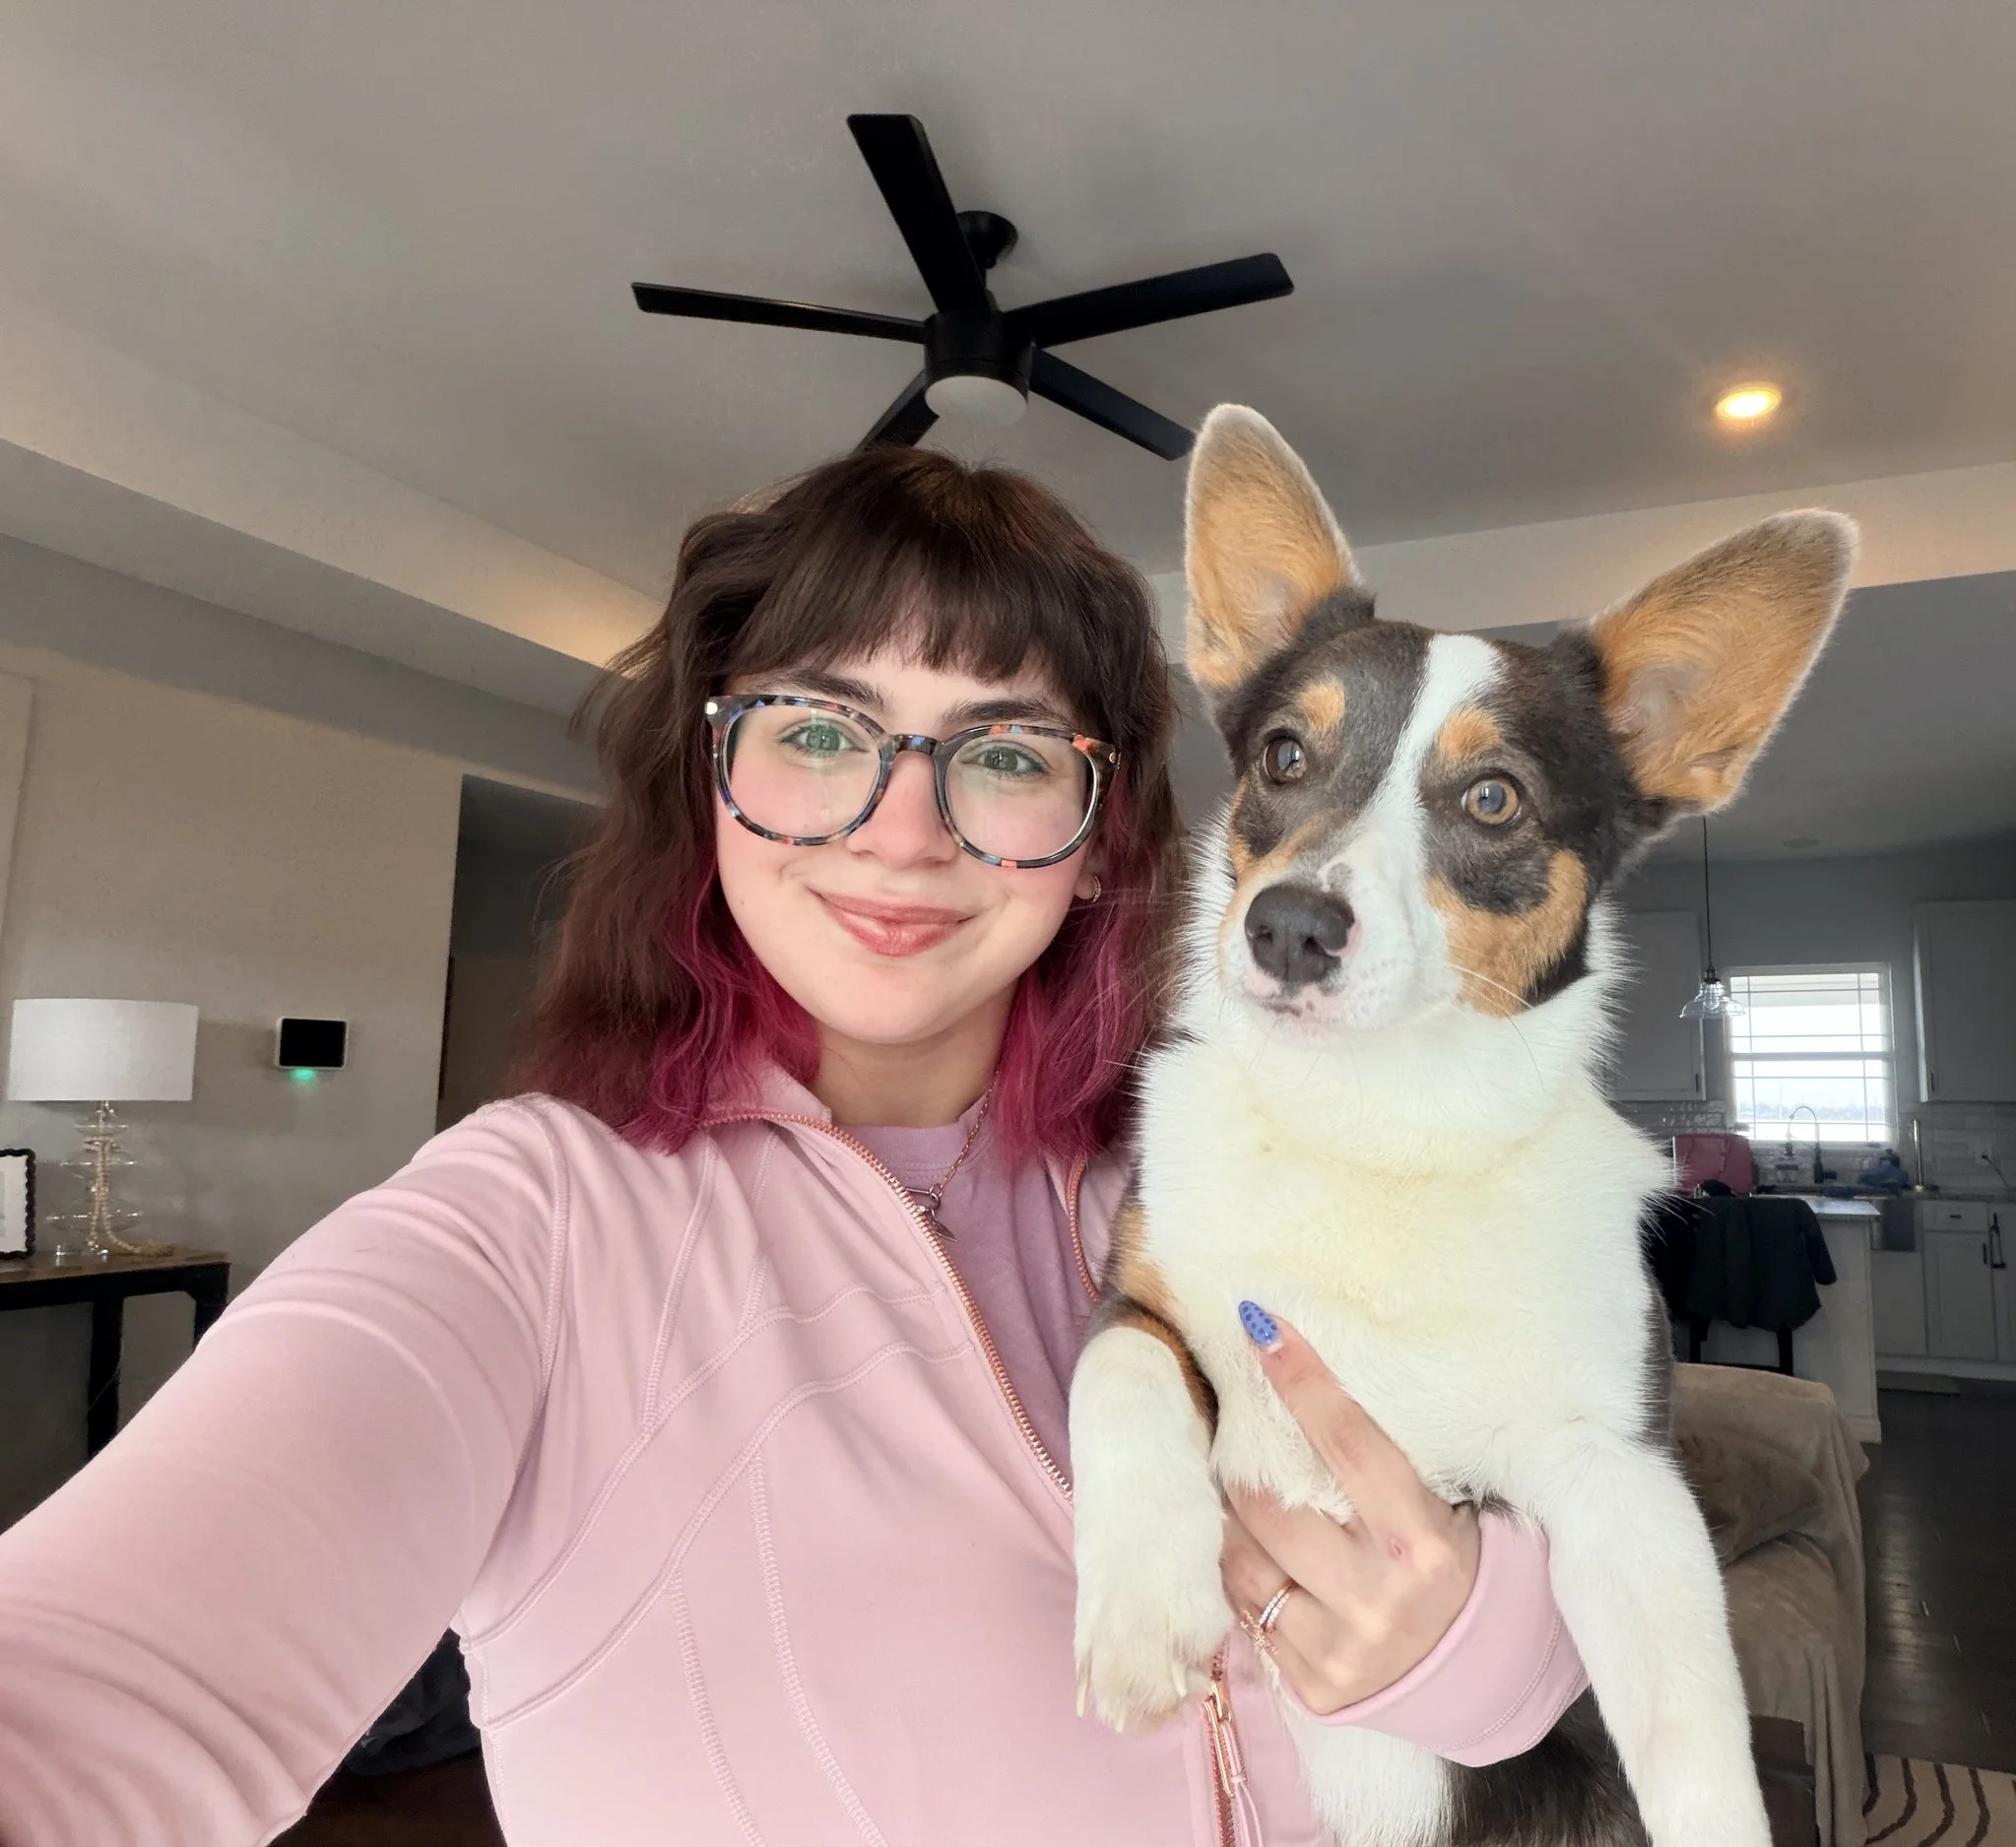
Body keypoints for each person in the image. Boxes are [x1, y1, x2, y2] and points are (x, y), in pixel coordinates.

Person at [0, 446, 1587, 1845]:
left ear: (1103, 850)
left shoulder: (1214, 1183)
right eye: (819, 731)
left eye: (1010, 752)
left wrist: (1471, 1637)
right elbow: (98, 1686)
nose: (903, 828)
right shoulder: (536, 1220)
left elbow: (1534, 1585)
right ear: (714, 785)